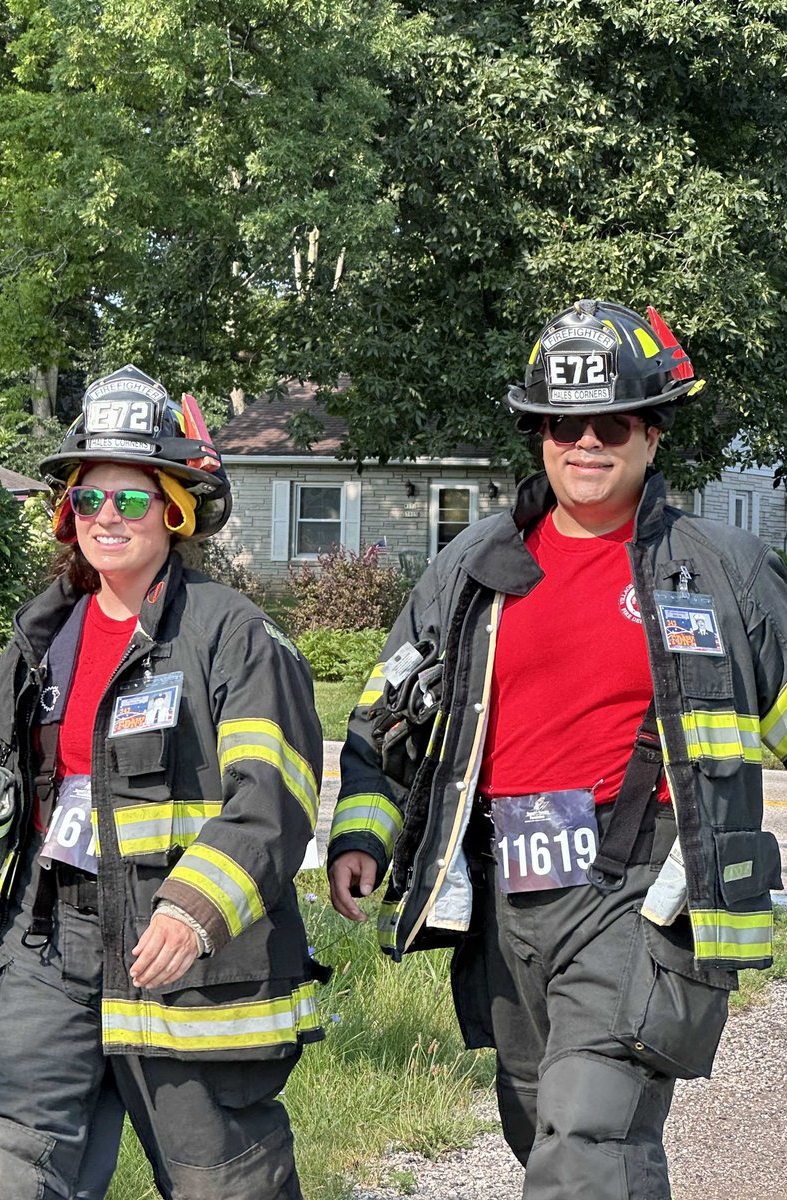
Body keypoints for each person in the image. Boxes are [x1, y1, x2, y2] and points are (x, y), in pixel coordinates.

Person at [327, 300, 786, 1199]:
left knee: (586, 1137)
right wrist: (361, 834)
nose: (586, 444)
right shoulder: (474, 567)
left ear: (652, 433)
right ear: (538, 436)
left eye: (611, 424)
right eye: (562, 425)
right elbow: (388, 720)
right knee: (541, 1123)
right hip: (509, 899)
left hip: (643, 891)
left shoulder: (721, 570)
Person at [0, 365, 324, 1200]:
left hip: (184, 958)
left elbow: (274, 795)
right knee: (0, 1171)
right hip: (45, 944)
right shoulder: (38, 643)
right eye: (88, 498)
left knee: (224, 1183)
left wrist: (193, 908)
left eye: (131, 498)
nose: (107, 516)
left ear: (174, 510)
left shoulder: (233, 636)